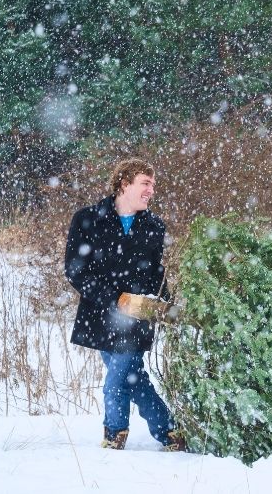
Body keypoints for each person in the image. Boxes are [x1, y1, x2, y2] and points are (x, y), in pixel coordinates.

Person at [64, 158, 182, 451]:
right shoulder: (87, 219)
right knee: (133, 377)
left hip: (138, 315)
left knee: (120, 374)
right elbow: (76, 269)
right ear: (124, 184)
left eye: (153, 185)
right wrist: (114, 300)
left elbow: (156, 273)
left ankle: (115, 433)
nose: (151, 190)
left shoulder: (154, 226)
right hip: (99, 313)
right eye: (145, 183)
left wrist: (166, 305)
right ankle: (169, 433)